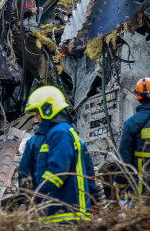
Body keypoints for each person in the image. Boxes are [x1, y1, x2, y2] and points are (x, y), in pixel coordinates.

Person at [17, 86, 99, 223]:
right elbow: (88, 171)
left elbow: (57, 173)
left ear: (47, 110)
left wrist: (33, 198)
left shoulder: (60, 133)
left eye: (37, 112)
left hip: (67, 215)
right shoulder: (61, 134)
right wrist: (93, 198)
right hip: (57, 215)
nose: (36, 117)